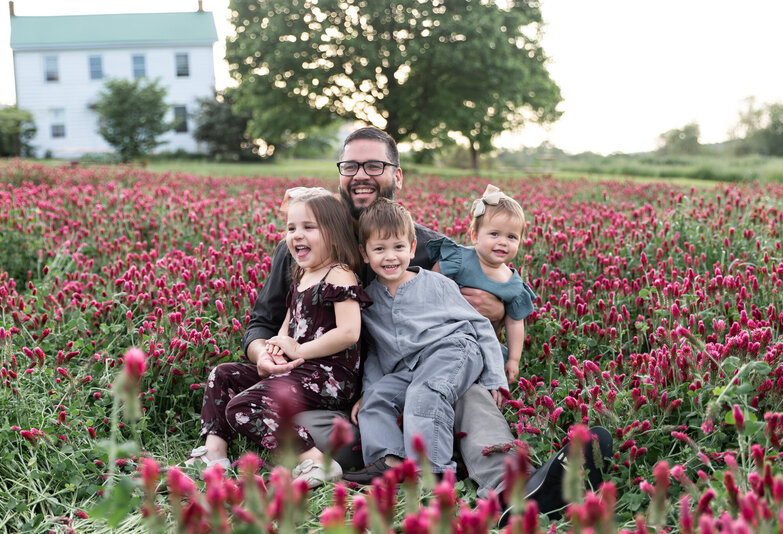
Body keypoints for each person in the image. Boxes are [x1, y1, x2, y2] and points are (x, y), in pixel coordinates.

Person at [242, 127, 612, 516]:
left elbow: (477, 311)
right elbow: (261, 322)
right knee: (300, 418)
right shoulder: (301, 243)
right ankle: (396, 458)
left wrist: (500, 311)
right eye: (351, 165)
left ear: (397, 176)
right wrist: (261, 356)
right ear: (340, 174)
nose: (361, 175)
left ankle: (515, 487)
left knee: (459, 389)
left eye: (375, 165)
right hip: (340, 390)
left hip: (422, 372)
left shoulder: (428, 247)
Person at [187, 189, 371, 488]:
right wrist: (273, 352)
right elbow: (287, 324)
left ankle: (313, 460)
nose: (297, 235)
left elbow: (349, 332)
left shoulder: (340, 274)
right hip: (299, 369)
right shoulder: (301, 274)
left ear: (335, 235)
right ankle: (214, 454)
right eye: (291, 228)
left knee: (244, 406)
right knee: (223, 374)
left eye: (309, 227)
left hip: (330, 376)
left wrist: (300, 349)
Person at [347, 198, 507, 479]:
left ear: (411, 248)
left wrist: (495, 376)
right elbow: (374, 352)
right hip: (409, 368)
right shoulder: (367, 300)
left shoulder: (436, 283)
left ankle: (431, 470)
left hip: (452, 350)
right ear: (364, 253)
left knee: (426, 393)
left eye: (398, 247)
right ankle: (390, 462)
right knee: (375, 401)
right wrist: (368, 389)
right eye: (379, 249)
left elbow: (480, 325)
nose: (390, 257)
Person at [427, 184, 535, 384]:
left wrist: (513, 359)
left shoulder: (514, 285)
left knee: (489, 379)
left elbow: (515, 323)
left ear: (520, 242)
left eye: (511, 237)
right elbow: (432, 285)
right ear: (475, 236)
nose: (503, 242)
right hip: (443, 337)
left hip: (484, 346)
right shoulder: (459, 259)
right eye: (494, 234)